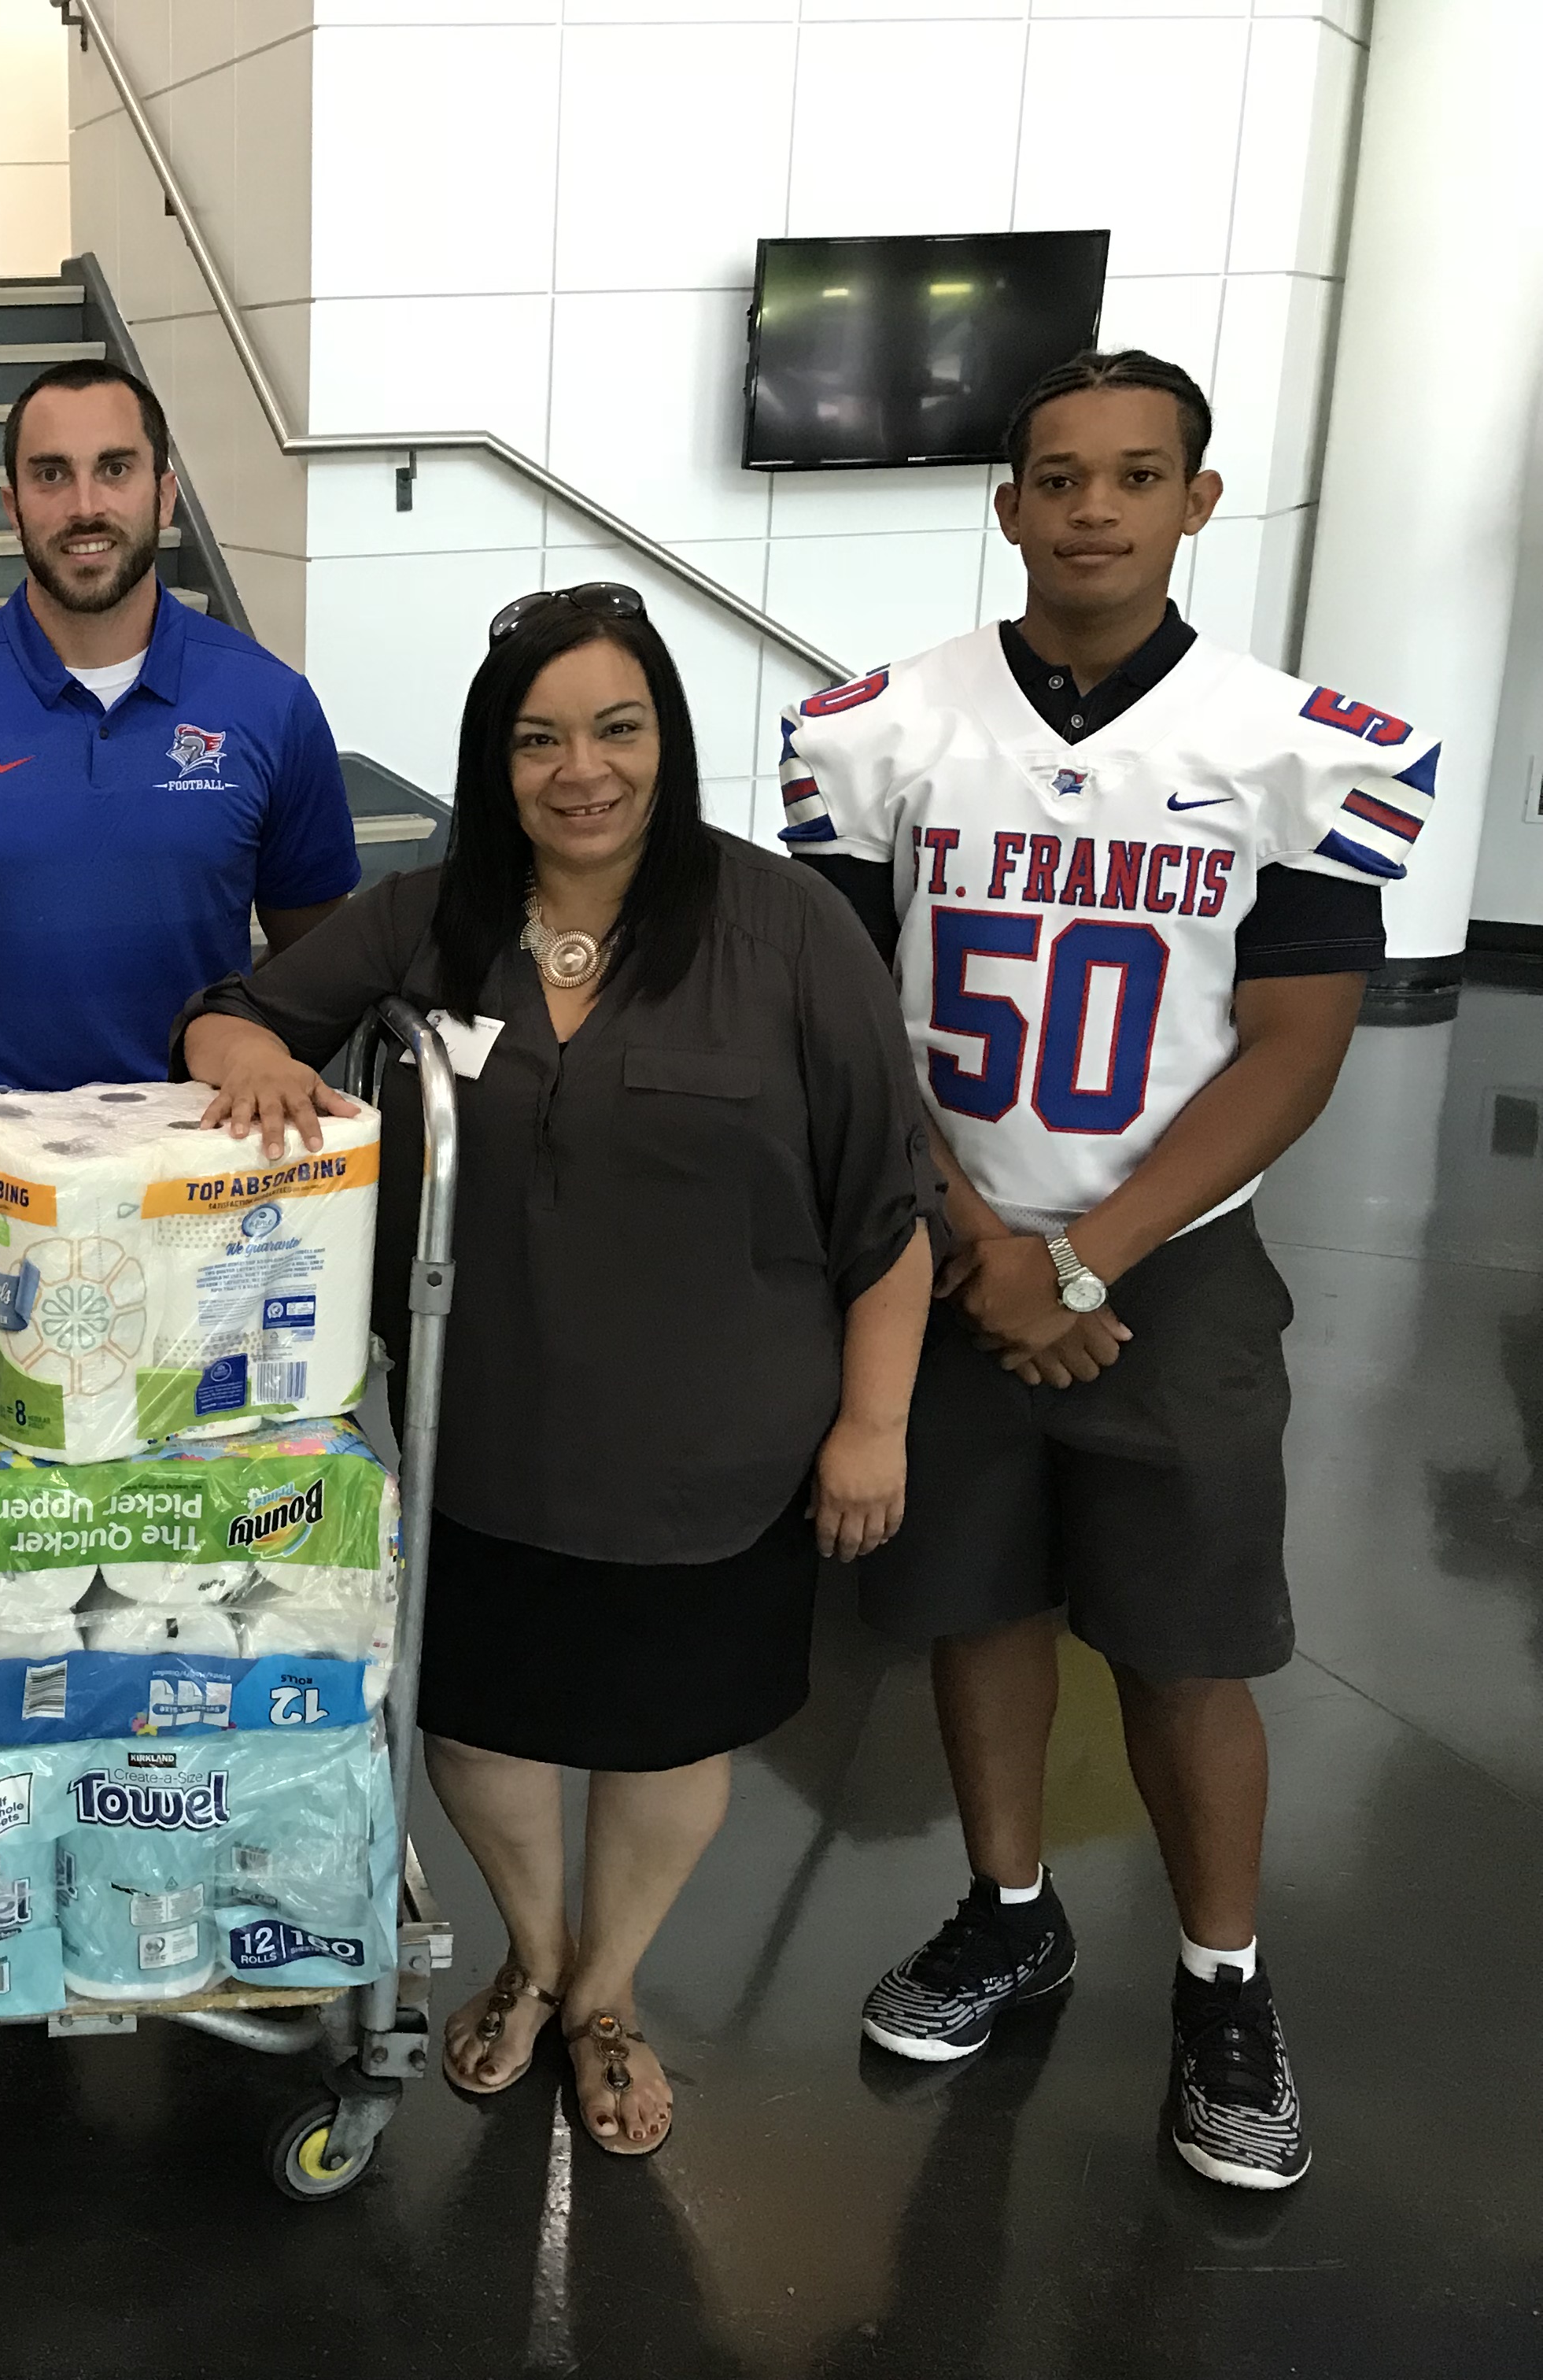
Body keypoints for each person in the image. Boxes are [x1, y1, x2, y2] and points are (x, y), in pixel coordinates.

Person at [783, 350, 1432, 2192]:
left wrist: (1082, 1263)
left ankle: (1225, 1986)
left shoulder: (1287, 741)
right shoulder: (886, 726)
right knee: (977, 1603)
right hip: (950, 1244)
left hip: (1172, 1263)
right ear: (1006, 504)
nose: (1092, 506)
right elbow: (848, 1024)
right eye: (1058, 476)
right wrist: (989, 1249)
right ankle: (1010, 1910)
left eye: (1135, 476)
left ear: (1196, 502)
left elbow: (1301, 1040)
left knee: (1184, 1643)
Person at [181, 587, 934, 2155]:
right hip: (488, 1439)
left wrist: (875, 1423)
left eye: (616, 728)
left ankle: (608, 1993)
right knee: (485, 1730)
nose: (579, 770)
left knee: (669, 1736)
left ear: (665, 736)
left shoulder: (785, 929)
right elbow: (240, 1012)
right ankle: (531, 1954)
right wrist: (248, 1049)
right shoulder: (435, 915)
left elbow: (887, 1204)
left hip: (716, 1450)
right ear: (493, 759)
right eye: (537, 739)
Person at [0, 358, 362, 1266]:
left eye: (114, 469)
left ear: (164, 494)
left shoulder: (269, 704)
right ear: (13, 506)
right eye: (51, 475)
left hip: (209, 1157)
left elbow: (315, 953)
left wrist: (237, 1062)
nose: (84, 504)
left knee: (207, 1410)